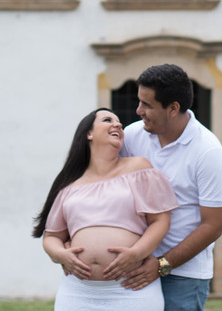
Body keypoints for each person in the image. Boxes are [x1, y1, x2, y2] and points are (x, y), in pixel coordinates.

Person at [33, 108, 177, 311]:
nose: (117, 125)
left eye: (119, 123)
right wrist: (60, 255)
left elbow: (160, 221)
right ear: (88, 134)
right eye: (108, 120)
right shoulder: (70, 186)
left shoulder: (138, 168)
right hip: (77, 292)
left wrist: (136, 253)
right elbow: (51, 237)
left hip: (130, 289)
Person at [118, 64, 222, 311]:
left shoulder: (208, 151)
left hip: (183, 276)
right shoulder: (132, 135)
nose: (139, 111)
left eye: (147, 105)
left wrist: (160, 265)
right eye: (139, 102)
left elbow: (213, 226)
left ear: (173, 108)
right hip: (134, 267)